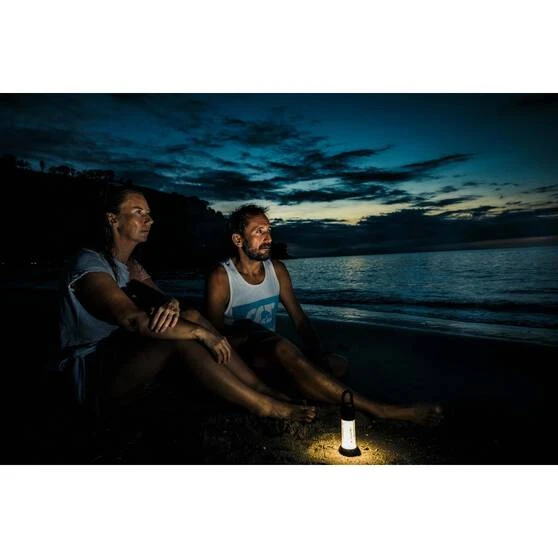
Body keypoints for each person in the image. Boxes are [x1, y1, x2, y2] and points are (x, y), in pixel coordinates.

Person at [56, 187, 316, 423]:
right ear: (113, 219)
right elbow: (132, 320)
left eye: (149, 213)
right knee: (184, 336)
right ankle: (262, 405)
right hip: (93, 374)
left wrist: (171, 303)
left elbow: (171, 305)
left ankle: (262, 389)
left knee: (190, 317)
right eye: (138, 212)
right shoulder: (89, 263)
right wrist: (203, 334)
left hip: (124, 355)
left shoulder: (131, 267)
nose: (149, 220)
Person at [205, 204, 443, 426]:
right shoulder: (221, 278)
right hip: (246, 363)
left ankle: (298, 386)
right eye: (259, 231)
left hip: (274, 356)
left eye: (269, 230)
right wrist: (258, 338)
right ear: (238, 239)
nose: (268, 238)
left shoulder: (277, 270)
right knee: (285, 349)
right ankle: (382, 410)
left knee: (337, 365)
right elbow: (216, 339)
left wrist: (317, 359)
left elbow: (300, 320)